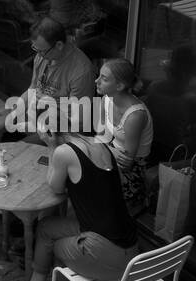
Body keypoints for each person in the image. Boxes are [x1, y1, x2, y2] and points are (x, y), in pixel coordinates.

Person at [10, 120, 138, 281]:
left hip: (107, 251)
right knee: (45, 227)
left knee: (54, 246)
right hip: (128, 241)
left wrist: (51, 147)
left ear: (50, 133)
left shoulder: (64, 152)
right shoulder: (101, 143)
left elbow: (55, 187)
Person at [11, 18, 95, 136]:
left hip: (65, 131)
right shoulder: (43, 55)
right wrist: (15, 111)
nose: (39, 55)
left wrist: (48, 104)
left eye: (42, 51)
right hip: (40, 118)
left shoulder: (81, 71)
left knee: (17, 146)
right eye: (35, 49)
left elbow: (79, 122)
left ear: (59, 45)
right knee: (8, 135)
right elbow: (33, 88)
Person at [95, 59, 153, 214]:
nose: (96, 81)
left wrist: (100, 153)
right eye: (99, 76)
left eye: (104, 79)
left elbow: (127, 163)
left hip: (133, 168)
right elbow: (100, 136)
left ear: (119, 86)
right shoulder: (106, 99)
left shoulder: (135, 116)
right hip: (113, 153)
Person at [143, 46, 196, 164]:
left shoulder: (154, 87)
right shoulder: (188, 100)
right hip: (174, 157)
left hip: (150, 152)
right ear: (188, 74)